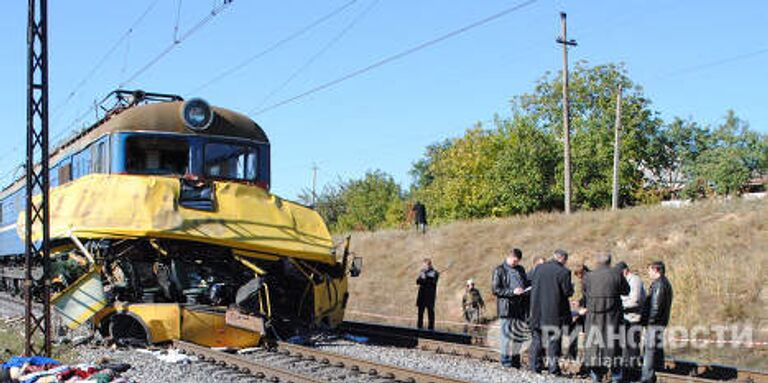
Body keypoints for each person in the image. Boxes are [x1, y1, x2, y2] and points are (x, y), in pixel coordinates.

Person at [583, 253, 629, 383]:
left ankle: (595, 376)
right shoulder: (617, 274)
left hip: (593, 317)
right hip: (612, 317)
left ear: (597, 262)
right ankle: (616, 377)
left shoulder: (588, 276)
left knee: (594, 347)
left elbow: (585, 293)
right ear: (610, 262)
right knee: (614, 346)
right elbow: (626, 290)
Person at [528, 249, 574, 375]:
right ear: (563, 259)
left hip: (537, 311)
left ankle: (534, 366)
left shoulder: (538, 268)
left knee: (537, 339)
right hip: (554, 313)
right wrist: (572, 288)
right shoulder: (564, 272)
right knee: (554, 342)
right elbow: (567, 292)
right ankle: (553, 369)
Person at [492, 248, 528, 368]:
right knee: (506, 337)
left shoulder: (521, 269)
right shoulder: (499, 270)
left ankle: (516, 362)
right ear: (509, 257)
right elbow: (495, 289)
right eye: (514, 261)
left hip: (519, 307)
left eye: (518, 261)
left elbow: (525, 283)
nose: (515, 263)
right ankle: (506, 362)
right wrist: (512, 292)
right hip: (506, 308)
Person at [641, 261, 673, 383]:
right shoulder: (665, 283)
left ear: (657, 270)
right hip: (660, 322)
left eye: (650, 270)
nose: (648, 273)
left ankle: (646, 378)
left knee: (649, 351)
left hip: (654, 324)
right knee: (657, 349)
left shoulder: (659, 284)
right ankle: (659, 371)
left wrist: (649, 322)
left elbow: (656, 307)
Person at [616, 261, 646, 381]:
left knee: (632, 347)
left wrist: (619, 305)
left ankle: (633, 373)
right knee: (626, 347)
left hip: (634, 318)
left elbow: (635, 300)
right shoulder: (624, 281)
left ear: (625, 271)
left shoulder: (635, 280)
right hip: (626, 318)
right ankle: (627, 372)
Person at [567, 264, 590, 361]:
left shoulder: (590, 281)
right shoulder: (582, 281)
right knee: (574, 331)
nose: (579, 278)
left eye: (580, 275)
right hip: (580, 310)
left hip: (587, 312)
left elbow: (589, 297)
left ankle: (585, 356)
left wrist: (582, 305)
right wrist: (578, 302)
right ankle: (573, 355)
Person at [416, 258, 439, 330]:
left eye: (425, 265)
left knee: (430, 313)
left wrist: (426, 277)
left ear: (429, 265)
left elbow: (433, 282)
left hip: (430, 296)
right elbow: (417, 281)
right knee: (420, 313)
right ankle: (419, 327)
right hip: (422, 296)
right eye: (423, 265)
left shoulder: (435, 273)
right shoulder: (422, 272)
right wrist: (423, 276)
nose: (424, 267)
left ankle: (431, 329)